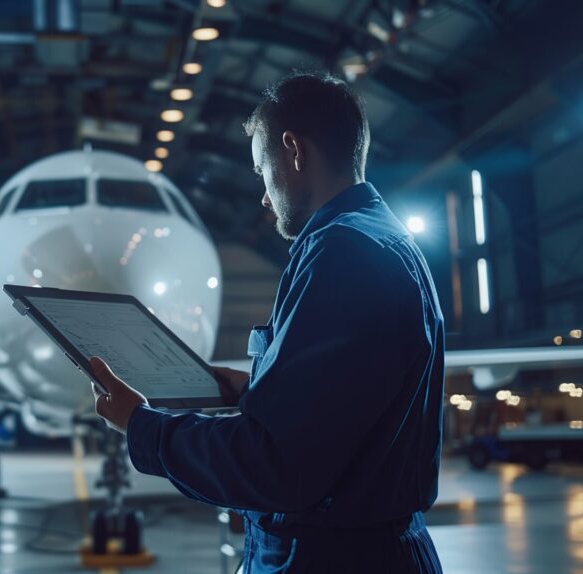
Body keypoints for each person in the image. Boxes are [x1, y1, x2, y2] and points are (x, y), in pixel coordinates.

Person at [89, 71, 445, 573]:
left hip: (331, 558)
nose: (262, 197)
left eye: (261, 172)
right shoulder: (384, 239)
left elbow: (272, 465)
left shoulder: (341, 252)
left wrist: (142, 425)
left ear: (293, 151)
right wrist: (258, 386)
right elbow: (351, 400)